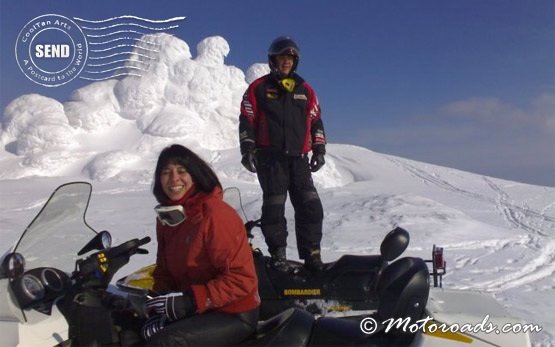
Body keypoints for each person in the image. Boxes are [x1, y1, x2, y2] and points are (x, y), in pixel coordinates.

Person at [141, 144, 260, 346]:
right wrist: (155, 305)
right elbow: (164, 270)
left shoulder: (215, 214)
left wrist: (188, 301)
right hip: (198, 308)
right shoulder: (169, 216)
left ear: (195, 175)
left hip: (232, 313)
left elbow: (241, 279)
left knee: (164, 343)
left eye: (181, 171)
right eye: (166, 172)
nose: (174, 179)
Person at [239, 36, 326, 272]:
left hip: (299, 160)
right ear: (273, 60)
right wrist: (247, 148)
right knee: (274, 210)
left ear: (295, 61)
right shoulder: (258, 88)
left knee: (311, 207)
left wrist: (319, 149)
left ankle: (312, 256)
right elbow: (247, 119)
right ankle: (278, 256)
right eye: (282, 58)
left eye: (290, 58)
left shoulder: (305, 90)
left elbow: (316, 120)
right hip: (271, 160)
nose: (286, 62)